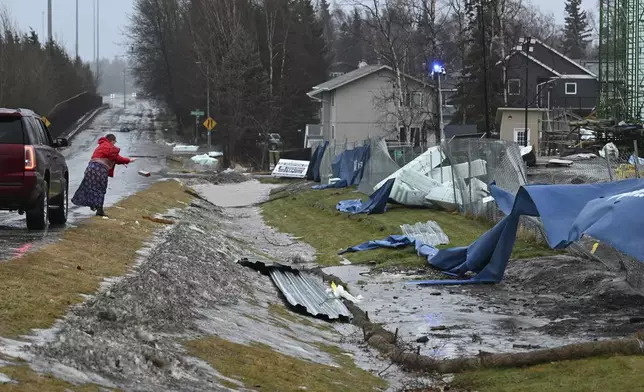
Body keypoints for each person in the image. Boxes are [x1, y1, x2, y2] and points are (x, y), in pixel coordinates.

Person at [72, 134, 136, 217]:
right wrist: (129, 160)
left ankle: (91, 204)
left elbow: (112, 158)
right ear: (112, 140)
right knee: (100, 189)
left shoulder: (100, 146)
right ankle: (99, 210)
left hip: (90, 168)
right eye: (115, 141)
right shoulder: (109, 147)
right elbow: (117, 158)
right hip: (100, 170)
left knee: (89, 187)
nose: (114, 143)